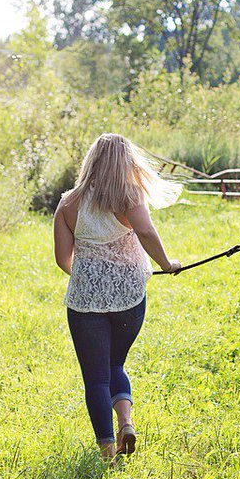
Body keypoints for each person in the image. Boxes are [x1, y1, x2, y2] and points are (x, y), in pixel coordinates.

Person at [54, 134, 182, 460]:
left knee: (96, 377)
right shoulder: (129, 196)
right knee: (116, 363)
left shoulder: (69, 203)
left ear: (91, 161)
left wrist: (90, 276)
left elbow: (63, 259)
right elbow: (146, 232)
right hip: (129, 297)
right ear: (126, 162)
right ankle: (126, 422)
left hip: (84, 302)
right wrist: (167, 264)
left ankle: (107, 451)